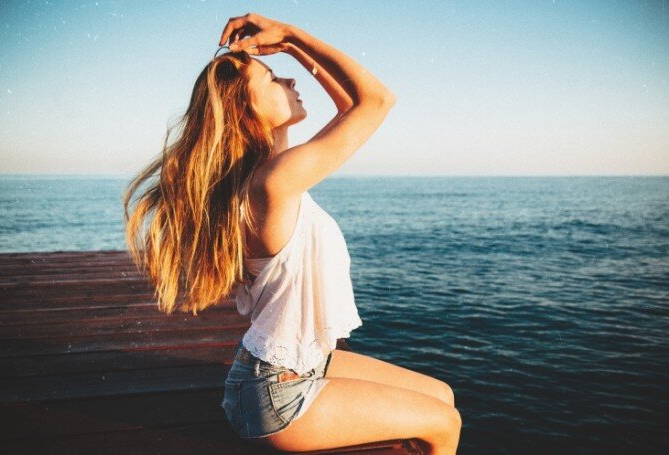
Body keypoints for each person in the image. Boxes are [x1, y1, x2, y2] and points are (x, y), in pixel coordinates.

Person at [123, 12, 461, 454]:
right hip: (279, 395)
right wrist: (291, 36)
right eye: (273, 79)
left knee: (442, 395)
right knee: (444, 423)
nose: (291, 80)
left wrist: (291, 48)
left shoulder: (270, 178)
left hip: (292, 368)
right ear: (246, 108)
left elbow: (352, 107)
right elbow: (376, 100)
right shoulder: (273, 182)